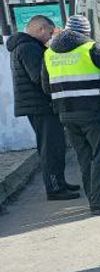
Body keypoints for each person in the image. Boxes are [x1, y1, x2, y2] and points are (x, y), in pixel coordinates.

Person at [41, 14, 100, 215]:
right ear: (86, 32)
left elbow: (46, 87)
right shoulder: (91, 48)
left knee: (86, 158)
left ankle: (98, 198)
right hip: (95, 113)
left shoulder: (49, 53)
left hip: (66, 114)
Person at [6, 15, 80, 201]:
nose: (50, 36)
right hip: (40, 106)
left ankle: (59, 182)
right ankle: (55, 188)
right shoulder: (29, 47)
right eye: (49, 32)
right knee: (51, 148)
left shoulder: (26, 45)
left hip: (39, 106)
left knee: (54, 146)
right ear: (40, 29)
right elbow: (38, 77)